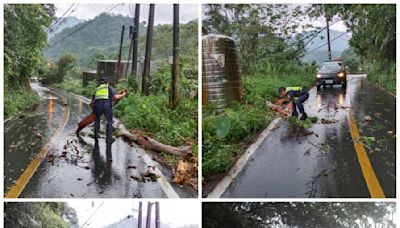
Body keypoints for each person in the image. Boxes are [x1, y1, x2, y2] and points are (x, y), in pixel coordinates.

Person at [92, 76, 127, 143]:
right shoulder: (108, 87)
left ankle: (96, 135)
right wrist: (123, 94)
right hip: (106, 106)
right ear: (107, 82)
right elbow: (116, 97)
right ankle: (109, 139)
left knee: (97, 120)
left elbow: (92, 102)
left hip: (97, 106)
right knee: (109, 121)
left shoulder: (97, 89)